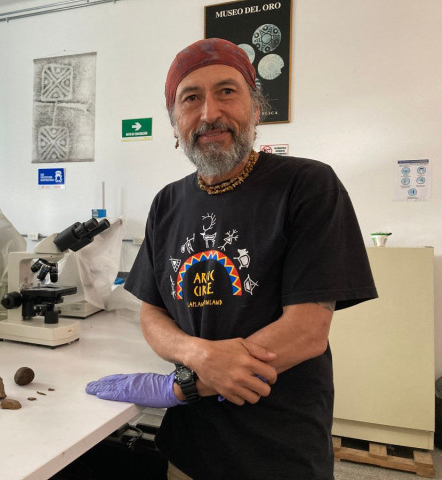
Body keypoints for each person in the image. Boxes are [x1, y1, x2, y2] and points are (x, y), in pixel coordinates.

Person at [86, 38, 377, 480]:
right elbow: (151, 312)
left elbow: (306, 331)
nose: (209, 114)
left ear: (257, 109)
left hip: (279, 451)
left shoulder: (307, 185)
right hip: (189, 448)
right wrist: (197, 354)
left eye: (227, 91)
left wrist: (185, 386)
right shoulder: (168, 203)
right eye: (191, 98)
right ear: (174, 122)